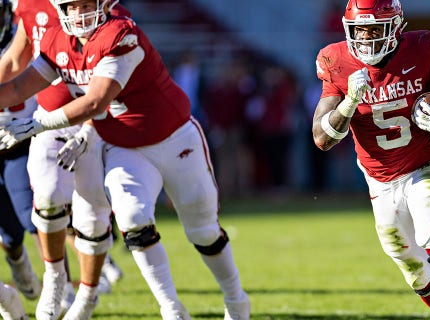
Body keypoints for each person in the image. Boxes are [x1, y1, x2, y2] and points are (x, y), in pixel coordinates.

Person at [0, 0, 251, 319]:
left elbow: (95, 101)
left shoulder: (121, 33)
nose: (79, 14)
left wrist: (36, 123)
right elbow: (19, 86)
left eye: (86, 4)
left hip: (173, 139)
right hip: (124, 146)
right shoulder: (55, 37)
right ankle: (171, 307)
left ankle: (236, 299)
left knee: (202, 230)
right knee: (133, 220)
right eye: (71, 6)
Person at [311, 1, 430, 319]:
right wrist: (349, 103)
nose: (366, 39)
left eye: (376, 29)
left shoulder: (423, 48)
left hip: (424, 163)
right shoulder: (335, 60)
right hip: (379, 178)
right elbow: (322, 138)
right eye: (360, 30)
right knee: (409, 262)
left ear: (397, 27)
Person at [0, 0, 128, 317]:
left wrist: (87, 129)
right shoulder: (33, 9)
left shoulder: (109, 15)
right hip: (48, 118)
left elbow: (102, 90)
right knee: (46, 196)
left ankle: (88, 294)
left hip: (99, 123)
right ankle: (56, 279)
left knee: (93, 216)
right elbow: (16, 64)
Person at [0, 0, 42, 305]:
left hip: (19, 138)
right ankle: (18, 262)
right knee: (10, 234)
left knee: (33, 215)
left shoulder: (26, 37)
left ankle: (61, 285)